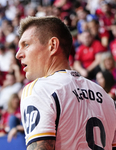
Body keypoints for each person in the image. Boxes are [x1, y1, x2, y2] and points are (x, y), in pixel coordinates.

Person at [16, 16, 116, 150]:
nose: (18, 54)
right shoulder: (107, 98)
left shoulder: (40, 89)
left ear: (52, 45)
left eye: (26, 45)